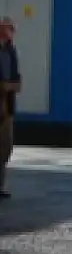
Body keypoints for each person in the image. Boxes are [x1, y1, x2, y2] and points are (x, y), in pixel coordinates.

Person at [0, 17, 17, 200]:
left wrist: (14, 85)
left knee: (6, 147)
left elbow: (15, 74)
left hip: (8, 106)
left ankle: (1, 185)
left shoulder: (11, 50)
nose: (11, 32)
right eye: (8, 28)